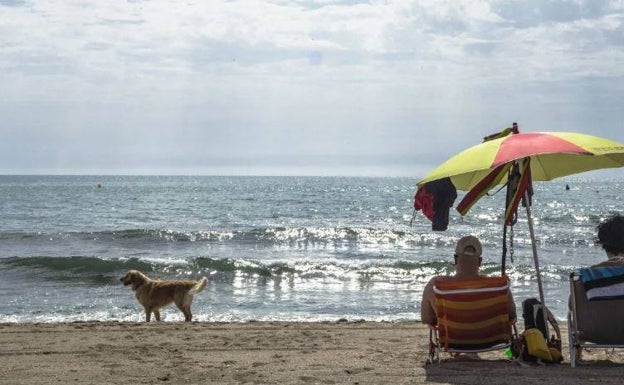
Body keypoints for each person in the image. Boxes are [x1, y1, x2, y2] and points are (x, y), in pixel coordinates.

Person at [420, 235, 517, 326]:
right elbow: (512, 315)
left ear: (455, 259)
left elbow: (427, 319)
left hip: (451, 342)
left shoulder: (436, 285)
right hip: (494, 342)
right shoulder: (498, 285)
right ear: (480, 262)